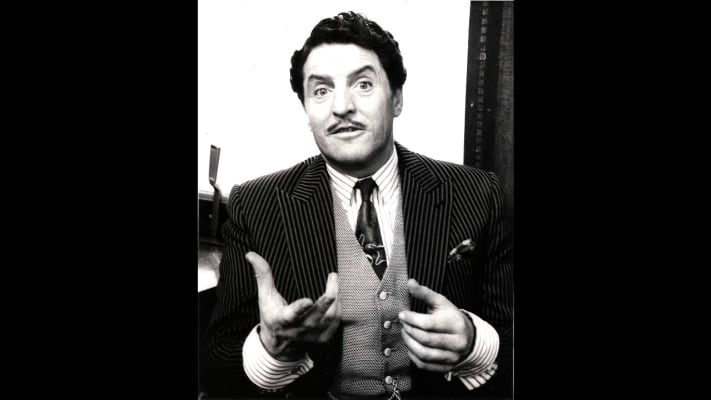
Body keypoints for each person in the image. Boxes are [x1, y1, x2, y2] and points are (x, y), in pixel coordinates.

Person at [202, 11, 513, 399]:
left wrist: (474, 343)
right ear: (306, 110)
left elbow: (508, 337)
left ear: (396, 99)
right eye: (321, 91)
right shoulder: (256, 204)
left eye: (363, 84)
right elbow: (216, 366)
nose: (341, 107)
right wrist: (270, 349)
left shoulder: (477, 193)